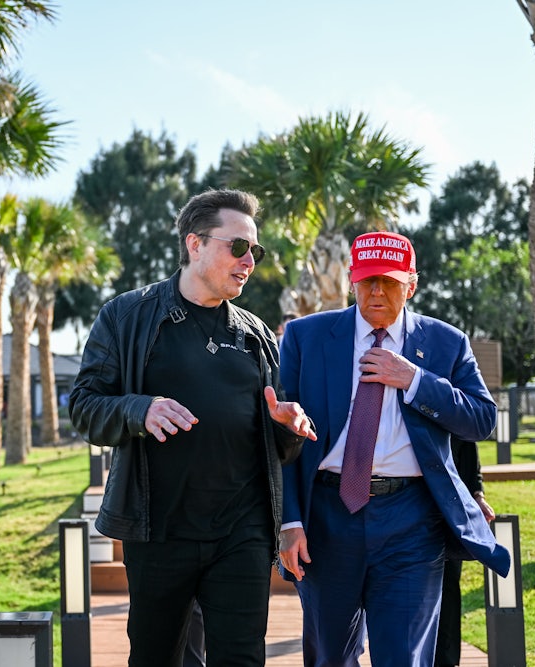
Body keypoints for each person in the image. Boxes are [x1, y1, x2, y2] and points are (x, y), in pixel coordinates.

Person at [69, 188, 317, 666]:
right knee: (156, 656)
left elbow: (277, 448)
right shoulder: (126, 316)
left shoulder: (256, 334)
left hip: (241, 532)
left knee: (242, 659)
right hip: (158, 531)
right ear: (194, 244)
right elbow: (84, 407)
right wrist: (140, 410)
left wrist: (285, 427)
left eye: (256, 251)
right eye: (238, 247)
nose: (249, 262)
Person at [277, 231, 510, 666]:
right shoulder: (305, 337)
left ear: (412, 284)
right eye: (367, 281)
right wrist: (289, 521)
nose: (377, 291)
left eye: (388, 281)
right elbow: (282, 442)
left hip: (411, 522)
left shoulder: (446, 343)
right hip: (327, 517)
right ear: (351, 280)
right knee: (329, 656)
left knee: (404, 657)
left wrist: (415, 380)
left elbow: (481, 419)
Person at [436, 437, 494, 667]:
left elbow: (467, 438)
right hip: (400, 502)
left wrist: (477, 493)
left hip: (449, 508)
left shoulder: (455, 400)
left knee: (448, 585)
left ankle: (446, 661)